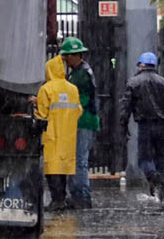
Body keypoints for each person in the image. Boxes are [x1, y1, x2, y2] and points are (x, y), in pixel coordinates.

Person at [119, 52, 164, 202]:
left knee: (144, 159)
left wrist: (123, 126)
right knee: (162, 158)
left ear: (141, 65)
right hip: (162, 126)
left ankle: (152, 176)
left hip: (145, 126)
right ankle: (160, 192)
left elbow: (125, 107)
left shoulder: (134, 83)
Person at [34, 55, 83, 211]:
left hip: (52, 134)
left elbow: (42, 114)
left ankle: (57, 200)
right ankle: (62, 198)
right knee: (63, 168)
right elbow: (79, 110)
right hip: (67, 134)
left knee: (52, 169)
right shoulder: (72, 88)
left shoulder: (46, 89)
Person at [59, 37, 99, 209]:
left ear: (76, 55)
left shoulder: (80, 74)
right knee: (78, 159)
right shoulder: (81, 70)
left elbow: (77, 99)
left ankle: (82, 196)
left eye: (67, 56)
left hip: (84, 121)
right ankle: (79, 194)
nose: (65, 60)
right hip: (85, 120)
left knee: (79, 160)